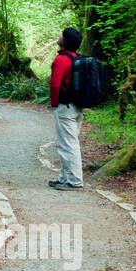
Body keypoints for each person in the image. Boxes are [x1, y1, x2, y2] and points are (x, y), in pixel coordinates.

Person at [48, 28, 84, 189]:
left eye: (62, 35)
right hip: (77, 106)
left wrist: (54, 104)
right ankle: (63, 178)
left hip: (64, 107)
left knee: (68, 144)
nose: (59, 36)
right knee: (65, 142)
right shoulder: (77, 58)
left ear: (66, 41)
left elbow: (55, 84)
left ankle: (75, 181)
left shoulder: (61, 59)